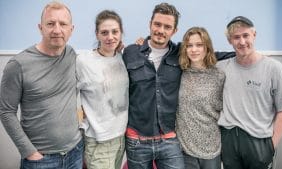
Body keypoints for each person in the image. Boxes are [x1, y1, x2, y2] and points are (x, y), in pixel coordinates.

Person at [0, 1, 83, 169]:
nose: (57, 30)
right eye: (51, 23)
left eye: (63, 24)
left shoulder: (72, 54)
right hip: (41, 160)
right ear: (40, 27)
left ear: (71, 29)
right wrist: (30, 153)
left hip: (75, 153)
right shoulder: (18, 64)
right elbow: (6, 111)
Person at [217, 16, 282, 169]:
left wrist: (271, 146)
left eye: (246, 35)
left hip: (260, 142)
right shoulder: (221, 68)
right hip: (229, 140)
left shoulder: (274, 68)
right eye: (236, 37)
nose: (242, 42)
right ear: (229, 41)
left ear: (254, 35)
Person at [122, 3, 185, 169]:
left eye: (167, 27)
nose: (161, 30)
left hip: (170, 139)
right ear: (150, 24)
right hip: (137, 141)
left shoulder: (181, 54)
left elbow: (210, 55)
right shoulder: (130, 52)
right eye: (157, 24)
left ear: (174, 31)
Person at [76, 10, 128, 169]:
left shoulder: (121, 57)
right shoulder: (84, 61)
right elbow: (66, 95)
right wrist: (79, 121)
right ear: (97, 34)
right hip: (99, 141)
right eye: (104, 32)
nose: (110, 37)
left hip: (121, 138)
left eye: (115, 32)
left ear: (121, 33)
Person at [176, 27, 225, 169]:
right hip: (185, 148)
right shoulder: (179, 73)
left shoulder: (219, 75)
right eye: (189, 45)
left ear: (207, 47)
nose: (194, 49)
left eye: (199, 45)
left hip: (211, 146)